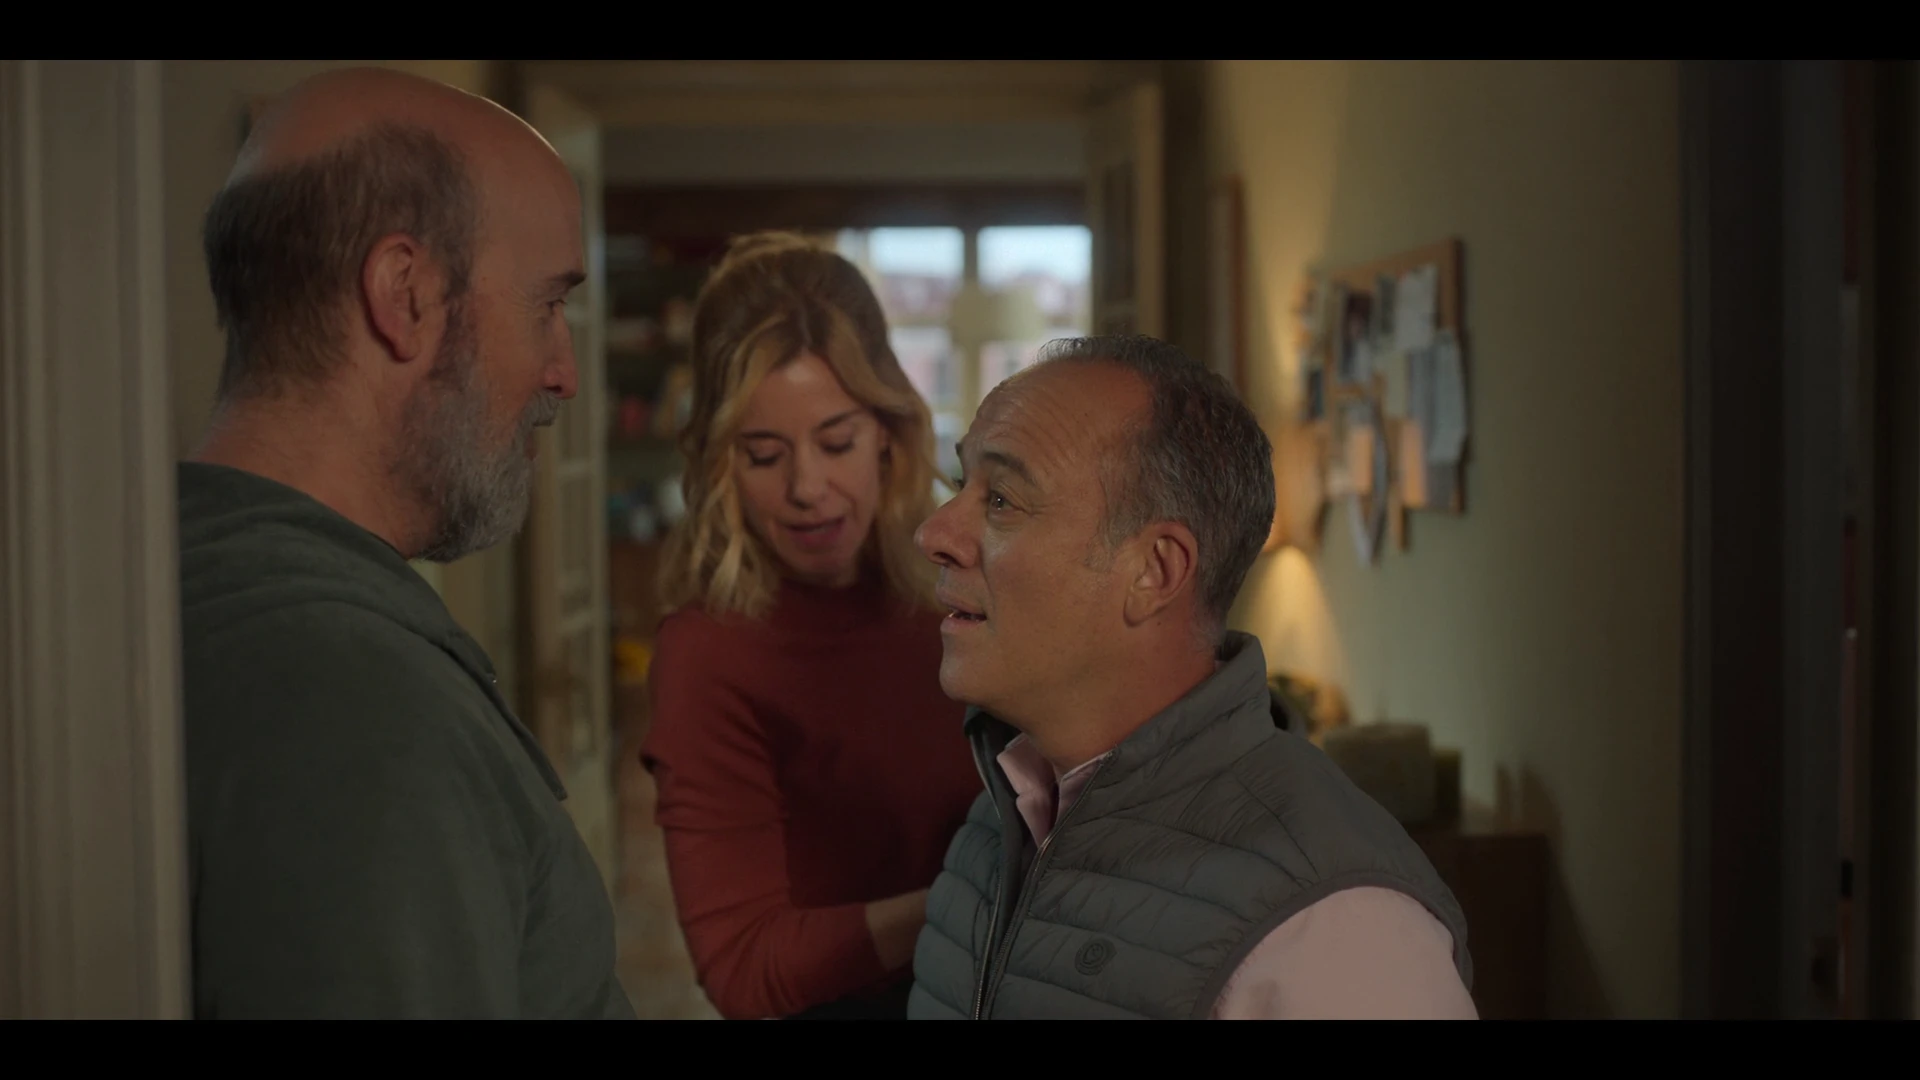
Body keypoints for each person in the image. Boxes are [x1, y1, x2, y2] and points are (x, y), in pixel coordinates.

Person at [177, 67, 633, 1020]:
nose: (563, 372)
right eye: (546, 305)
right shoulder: (348, 698)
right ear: (405, 295)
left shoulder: (175, 574)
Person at [907, 334, 1479, 1020]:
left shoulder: (1339, 930)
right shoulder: (999, 818)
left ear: (1155, 572)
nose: (934, 533)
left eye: (1001, 499)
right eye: (960, 484)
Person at [640, 232, 983, 1020]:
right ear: (720, 463)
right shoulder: (710, 653)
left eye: (836, 442)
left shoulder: (962, 589)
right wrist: (978, 901)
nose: (807, 487)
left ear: (888, 433)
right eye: (764, 455)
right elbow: (742, 970)